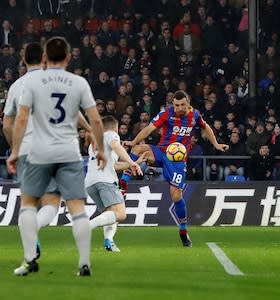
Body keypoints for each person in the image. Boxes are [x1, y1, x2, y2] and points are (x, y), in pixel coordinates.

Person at [6, 37, 107, 276]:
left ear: (44, 58)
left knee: (29, 205)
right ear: (69, 57)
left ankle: (30, 259)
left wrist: (15, 151)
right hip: (68, 151)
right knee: (77, 207)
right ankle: (84, 264)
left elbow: (19, 119)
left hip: (38, 151)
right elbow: (93, 119)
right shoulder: (78, 82)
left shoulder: (31, 83)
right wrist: (100, 147)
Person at [120, 90, 229, 247]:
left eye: (182, 105)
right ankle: (123, 184)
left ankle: (183, 230)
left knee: (176, 196)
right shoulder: (166, 114)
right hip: (162, 152)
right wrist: (132, 141)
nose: (179, 108)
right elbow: (149, 128)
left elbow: (207, 128)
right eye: (176, 105)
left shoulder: (195, 115)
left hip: (177, 161)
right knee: (137, 149)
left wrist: (216, 144)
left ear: (188, 103)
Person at [85, 116, 145, 252]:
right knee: (120, 214)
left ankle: (109, 241)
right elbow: (115, 145)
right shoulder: (111, 135)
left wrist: (137, 162)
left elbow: (115, 165)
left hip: (90, 183)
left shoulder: (94, 143)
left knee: (110, 214)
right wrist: (131, 162)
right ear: (116, 128)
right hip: (105, 181)